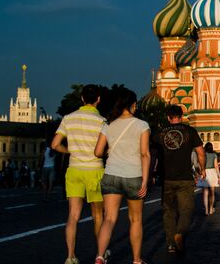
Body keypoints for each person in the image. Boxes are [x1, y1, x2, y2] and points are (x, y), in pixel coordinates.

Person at [93, 88, 151, 264]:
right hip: (133, 175)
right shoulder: (142, 125)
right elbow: (145, 154)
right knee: (136, 219)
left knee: (109, 218)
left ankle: (100, 256)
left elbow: (97, 151)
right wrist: (145, 181)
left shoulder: (108, 124)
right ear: (133, 105)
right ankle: (136, 260)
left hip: (111, 175)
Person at [52, 84, 108, 264]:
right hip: (95, 170)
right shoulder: (102, 121)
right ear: (98, 100)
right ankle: (100, 253)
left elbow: (54, 145)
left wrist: (69, 151)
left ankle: (70, 256)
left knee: (73, 216)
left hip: (74, 169)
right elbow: (107, 149)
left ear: (82, 99)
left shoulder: (68, 118)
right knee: (98, 215)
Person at [156, 104, 205, 255]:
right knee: (187, 210)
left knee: (168, 212)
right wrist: (201, 169)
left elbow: (152, 154)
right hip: (185, 178)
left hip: (166, 178)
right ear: (182, 116)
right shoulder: (190, 131)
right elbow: (200, 153)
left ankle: (170, 244)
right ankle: (180, 233)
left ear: (168, 117)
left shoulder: (160, 133)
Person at [202, 142, 219, 215]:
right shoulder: (214, 155)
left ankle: (206, 210)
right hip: (212, 172)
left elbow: (200, 164)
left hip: (205, 172)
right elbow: (216, 166)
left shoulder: (203, 155)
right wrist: (219, 175)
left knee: (205, 193)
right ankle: (211, 209)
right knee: (212, 192)